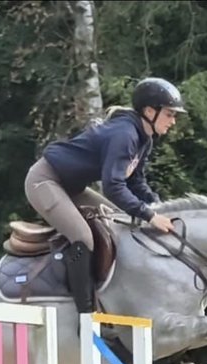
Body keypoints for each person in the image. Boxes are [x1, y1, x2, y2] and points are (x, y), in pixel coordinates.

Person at [24, 77, 185, 318]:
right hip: (45, 181)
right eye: (170, 114)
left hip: (72, 187)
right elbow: (113, 188)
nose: (173, 121)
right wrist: (149, 215)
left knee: (118, 223)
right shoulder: (125, 135)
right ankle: (85, 315)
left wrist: (159, 207)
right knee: (83, 236)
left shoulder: (144, 139)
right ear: (150, 111)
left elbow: (136, 182)